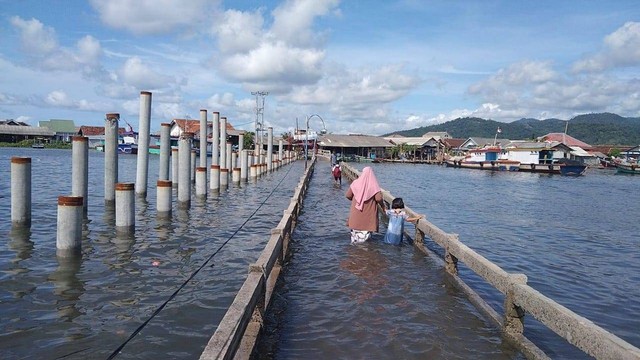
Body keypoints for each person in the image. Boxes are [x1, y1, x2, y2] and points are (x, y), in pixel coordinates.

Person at [345, 167, 384, 244]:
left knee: (354, 239)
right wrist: (383, 206)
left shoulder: (355, 183)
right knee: (365, 242)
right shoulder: (374, 185)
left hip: (355, 216)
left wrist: (357, 199)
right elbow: (379, 198)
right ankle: (364, 255)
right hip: (368, 218)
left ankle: (355, 254)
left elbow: (348, 195)